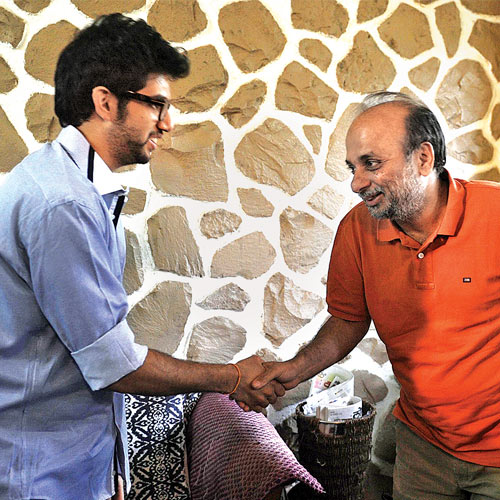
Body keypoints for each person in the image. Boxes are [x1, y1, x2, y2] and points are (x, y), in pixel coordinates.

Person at [0, 14, 283, 500]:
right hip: (38, 472)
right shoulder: (63, 205)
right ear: (105, 102)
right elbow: (114, 363)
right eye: (157, 105)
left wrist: (110, 464)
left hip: (65, 459)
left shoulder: (67, 184)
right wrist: (232, 377)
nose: (168, 123)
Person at [253, 91, 500, 499]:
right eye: (352, 167)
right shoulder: (357, 229)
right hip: (425, 445)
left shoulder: (493, 213)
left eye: (372, 164)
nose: (356, 183)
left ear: (423, 158)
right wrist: (295, 369)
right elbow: (349, 319)